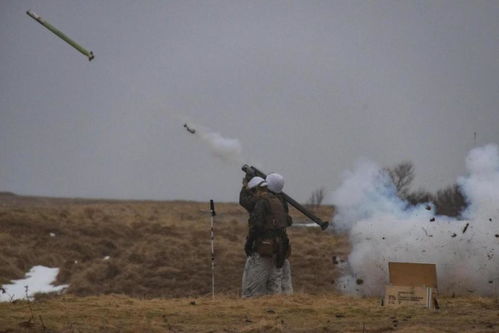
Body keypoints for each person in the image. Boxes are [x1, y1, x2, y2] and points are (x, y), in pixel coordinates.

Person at [240, 174, 293, 298]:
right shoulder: (280, 201)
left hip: (264, 249)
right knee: (275, 289)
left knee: (253, 292)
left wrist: (249, 244)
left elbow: (256, 226)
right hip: (279, 250)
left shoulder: (262, 202)